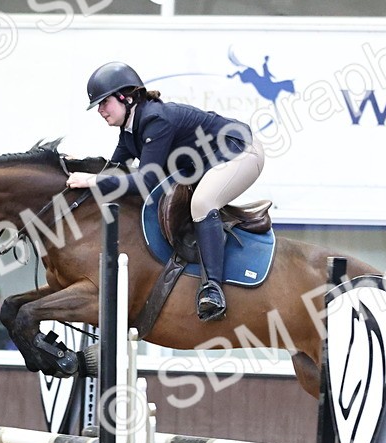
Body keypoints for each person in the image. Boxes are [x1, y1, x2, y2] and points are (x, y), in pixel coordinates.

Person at [66, 61, 266, 322]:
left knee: (202, 203)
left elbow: (145, 181)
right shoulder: (129, 131)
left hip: (240, 150)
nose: (101, 110)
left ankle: (213, 290)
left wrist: (92, 181)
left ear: (125, 97)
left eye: (105, 102)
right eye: (98, 106)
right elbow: (112, 171)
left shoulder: (155, 120)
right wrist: (74, 168)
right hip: (206, 161)